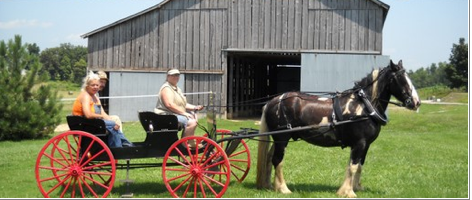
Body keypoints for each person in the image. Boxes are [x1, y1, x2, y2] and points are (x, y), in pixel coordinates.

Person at [72, 71, 133, 148]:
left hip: (92, 123)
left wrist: (111, 120)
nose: (95, 87)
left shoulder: (94, 97)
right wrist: (102, 117)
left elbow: (102, 113)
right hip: (84, 124)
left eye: (97, 85)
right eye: (92, 85)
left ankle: (124, 144)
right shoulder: (85, 96)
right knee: (112, 125)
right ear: (87, 86)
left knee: (114, 123)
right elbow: (88, 114)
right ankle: (118, 147)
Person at [154, 69, 204, 148]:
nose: (175, 77)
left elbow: (183, 104)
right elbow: (169, 105)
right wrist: (184, 113)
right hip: (165, 116)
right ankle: (184, 144)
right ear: (168, 76)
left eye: (177, 75)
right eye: (173, 75)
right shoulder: (166, 88)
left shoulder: (176, 88)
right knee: (191, 122)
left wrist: (194, 107)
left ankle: (190, 140)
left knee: (193, 115)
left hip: (172, 115)